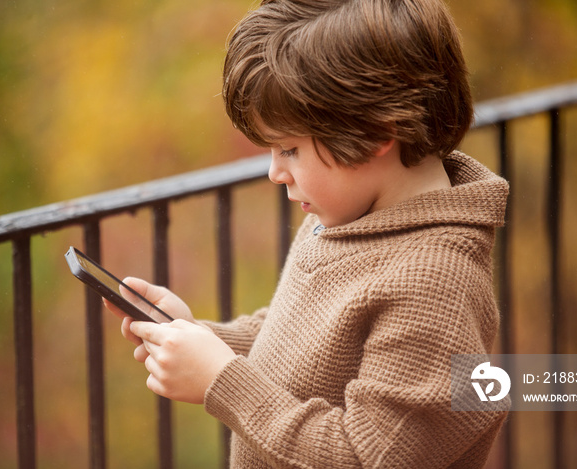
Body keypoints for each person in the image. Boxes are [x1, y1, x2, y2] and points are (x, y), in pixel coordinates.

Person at [105, 0, 510, 467]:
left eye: (289, 149)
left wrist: (223, 379)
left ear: (376, 131)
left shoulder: (436, 284)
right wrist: (200, 339)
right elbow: (304, 341)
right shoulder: (345, 215)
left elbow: (365, 457)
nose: (275, 171)